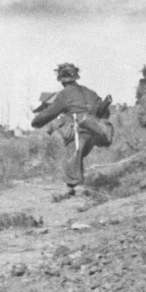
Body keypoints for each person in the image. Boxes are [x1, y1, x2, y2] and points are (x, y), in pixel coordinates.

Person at [31, 63, 109, 200]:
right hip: (94, 132)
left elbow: (51, 112)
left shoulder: (64, 94)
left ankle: (75, 190)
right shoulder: (89, 92)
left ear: (62, 81)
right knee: (77, 156)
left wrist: (36, 122)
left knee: (73, 155)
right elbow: (105, 112)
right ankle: (76, 187)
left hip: (78, 130)